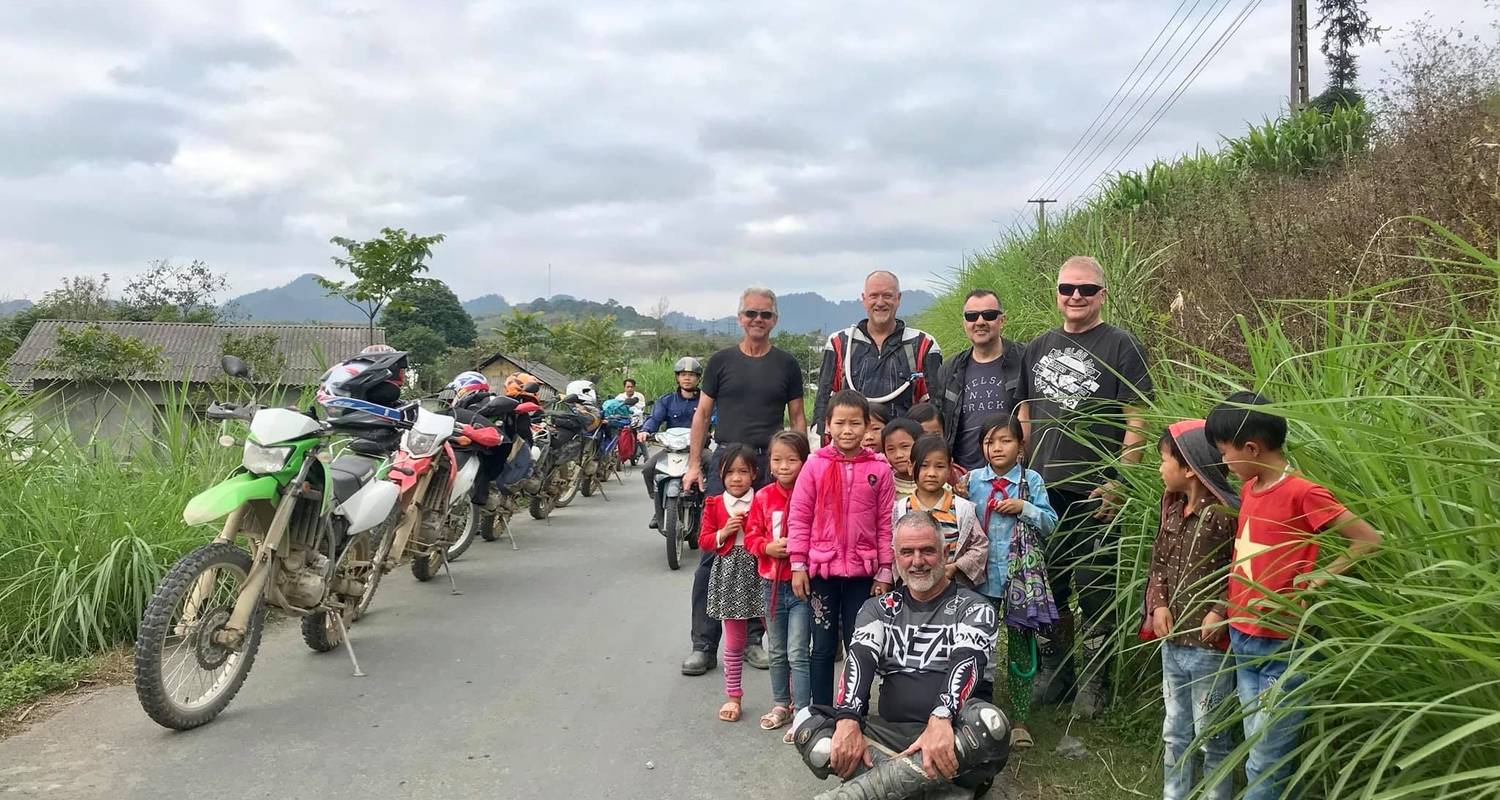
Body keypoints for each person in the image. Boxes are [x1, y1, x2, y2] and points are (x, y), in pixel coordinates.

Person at [1205, 392, 1381, 800]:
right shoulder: (1251, 490)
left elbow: (1368, 540)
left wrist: (1318, 579)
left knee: (1266, 759)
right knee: (1260, 752)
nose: (1224, 463)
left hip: (1281, 647)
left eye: (1226, 453)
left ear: (1253, 447)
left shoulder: (1303, 492)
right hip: (1244, 636)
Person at [792, 512, 1010, 799]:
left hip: (955, 735)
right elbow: (859, 661)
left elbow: (965, 662)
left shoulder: (974, 607)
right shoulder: (878, 609)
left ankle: (856, 794)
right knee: (807, 721)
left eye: (927, 551)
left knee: (991, 724)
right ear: (895, 557)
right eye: (907, 552)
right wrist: (848, 719)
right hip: (890, 735)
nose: (917, 561)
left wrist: (941, 719)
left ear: (945, 553)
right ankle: (936, 789)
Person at [1017, 256, 1152, 718]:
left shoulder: (1121, 346)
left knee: (1096, 589)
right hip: (1042, 493)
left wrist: (1120, 479)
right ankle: (1055, 675)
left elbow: (1138, 418)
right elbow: (1026, 414)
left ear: (1102, 296)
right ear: (1056, 292)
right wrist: (1021, 472)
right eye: (1067, 287)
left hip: (1095, 493)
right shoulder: (1037, 346)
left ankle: (1096, 681)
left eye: (1086, 289)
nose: (1075, 296)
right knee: (1048, 589)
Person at [681, 287, 806, 676]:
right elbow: (701, 415)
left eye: (765, 315)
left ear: (775, 320)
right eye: (751, 313)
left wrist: (800, 469)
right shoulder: (721, 361)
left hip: (769, 464)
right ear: (739, 317)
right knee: (715, 549)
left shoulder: (787, 364)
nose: (757, 320)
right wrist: (693, 465)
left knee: (758, 552)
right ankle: (704, 643)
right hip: (726, 462)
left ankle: (753, 639)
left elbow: (797, 418)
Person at [1147, 420, 1241, 800]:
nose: (1159, 469)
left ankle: (1216, 793)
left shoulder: (1226, 516)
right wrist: (1158, 605)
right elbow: (1159, 565)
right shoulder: (1172, 511)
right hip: (1173, 642)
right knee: (1175, 730)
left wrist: (1220, 609)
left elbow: (1240, 571)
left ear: (1189, 467)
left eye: (1164, 460)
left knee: (1212, 733)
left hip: (1208, 649)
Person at [787, 389, 894, 707]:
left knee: (859, 644)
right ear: (828, 426)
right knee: (821, 645)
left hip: (864, 573)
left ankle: (854, 710)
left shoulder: (879, 469)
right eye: (840, 423)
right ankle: (820, 711)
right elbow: (800, 516)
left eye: (855, 423)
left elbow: (886, 523)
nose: (848, 431)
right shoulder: (814, 466)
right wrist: (798, 564)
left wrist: (886, 569)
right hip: (822, 571)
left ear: (867, 427)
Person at [966, 413, 1059, 748]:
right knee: (979, 644)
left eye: (1005, 440)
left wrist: (1025, 507)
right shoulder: (972, 481)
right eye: (989, 442)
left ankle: (1020, 719)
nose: (997, 448)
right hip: (981, 577)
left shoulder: (1031, 481)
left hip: (1022, 579)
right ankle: (979, 712)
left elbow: (1051, 523)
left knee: (1021, 647)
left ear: (1021, 446)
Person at [744, 429, 812, 742]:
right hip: (769, 585)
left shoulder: (810, 493)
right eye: (777, 460)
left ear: (804, 462)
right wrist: (767, 548)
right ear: (769, 464)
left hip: (801, 587)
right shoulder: (762, 497)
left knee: (798, 650)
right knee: (778, 650)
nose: (784, 466)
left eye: (792, 460)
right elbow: (751, 537)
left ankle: (803, 711)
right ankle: (781, 704)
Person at [812, 271, 943, 430]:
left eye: (887, 296)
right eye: (874, 296)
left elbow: (935, 409)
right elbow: (823, 405)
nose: (880, 303)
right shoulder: (839, 343)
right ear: (864, 299)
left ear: (898, 298)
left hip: (902, 448)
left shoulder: (923, 344)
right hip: (853, 447)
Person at [697, 445, 764, 723]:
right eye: (730, 473)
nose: (737, 478)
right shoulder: (714, 504)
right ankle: (733, 695)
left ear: (754, 474)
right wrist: (723, 533)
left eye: (743, 472)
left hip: (762, 568)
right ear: (721, 475)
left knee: (779, 634)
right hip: (730, 574)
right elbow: (704, 540)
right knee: (734, 640)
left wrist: (751, 530)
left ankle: (788, 700)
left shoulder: (762, 500)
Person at [934, 289, 1027, 472]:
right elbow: (940, 421)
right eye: (971, 316)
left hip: (1015, 475)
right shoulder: (950, 368)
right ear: (964, 323)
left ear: (1002, 320)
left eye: (989, 315)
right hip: (964, 475)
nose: (980, 322)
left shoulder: (1025, 358)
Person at [894, 435, 988, 589]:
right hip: (913, 587)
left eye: (939, 466)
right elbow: (893, 548)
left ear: (950, 467)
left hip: (952, 587)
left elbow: (980, 545)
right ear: (911, 466)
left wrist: (956, 566)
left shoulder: (962, 508)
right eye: (924, 466)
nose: (932, 473)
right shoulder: (901, 509)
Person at [640, 357, 703, 529]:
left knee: (715, 467)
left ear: (698, 378)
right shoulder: (666, 400)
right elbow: (655, 418)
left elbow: (715, 417)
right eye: (683, 374)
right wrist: (646, 430)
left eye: (691, 375)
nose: (687, 378)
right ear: (677, 377)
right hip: (672, 449)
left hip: (697, 450)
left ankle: (710, 510)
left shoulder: (706, 400)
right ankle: (660, 504)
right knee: (648, 469)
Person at [881, 418, 922, 503]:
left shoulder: (934, 482)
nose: (898, 455)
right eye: (891, 449)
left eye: (905, 446)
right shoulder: (884, 485)